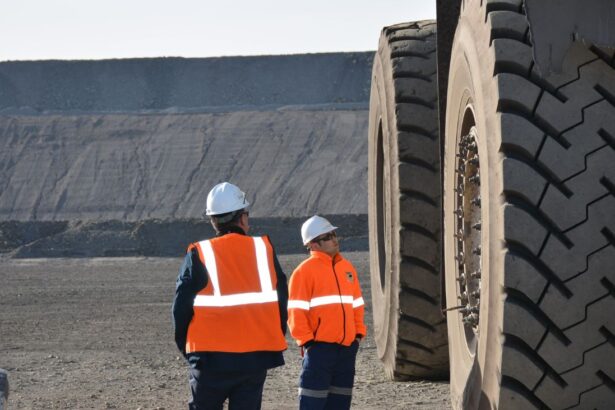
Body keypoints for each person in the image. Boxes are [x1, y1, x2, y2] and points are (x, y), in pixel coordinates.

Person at [172, 182, 288, 410]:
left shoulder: (199, 253)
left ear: (213, 221)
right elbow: (281, 298)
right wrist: (271, 337)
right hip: (254, 358)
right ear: (243, 218)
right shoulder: (263, 249)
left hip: (209, 358)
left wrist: (187, 348)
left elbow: (180, 306)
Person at [287, 215, 367, 410]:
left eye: (334, 234)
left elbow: (357, 305)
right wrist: (308, 343)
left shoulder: (347, 268)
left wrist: (357, 335)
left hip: (346, 350)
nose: (335, 239)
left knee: (340, 404)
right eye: (329, 236)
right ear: (313, 244)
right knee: (312, 404)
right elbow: (296, 312)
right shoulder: (303, 272)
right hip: (319, 351)